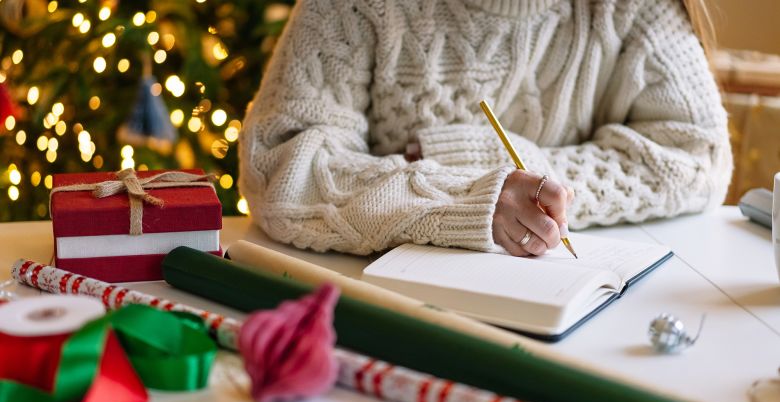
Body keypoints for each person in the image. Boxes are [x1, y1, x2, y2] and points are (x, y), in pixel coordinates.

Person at [238, 0, 731, 257]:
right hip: (380, 307)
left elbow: (697, 159)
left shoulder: (638, 10)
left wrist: (523, 170)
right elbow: (283, 166)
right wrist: (467, 200)